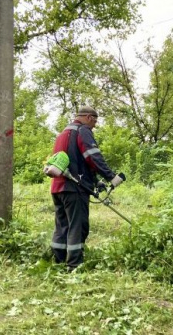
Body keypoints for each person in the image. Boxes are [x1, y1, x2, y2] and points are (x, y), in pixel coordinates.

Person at [49, 106, 125, 270]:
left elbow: (77, 161)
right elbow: (92, 156)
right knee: (78, 226)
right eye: (95, 121)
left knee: (62, 226)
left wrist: (95, 181)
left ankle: (57, 262)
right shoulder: (82, 130)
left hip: (58, 187)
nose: (95, 125)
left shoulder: (63, 134)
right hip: (74, 188)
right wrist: (111, 176)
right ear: (89, 117)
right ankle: (74, 265)